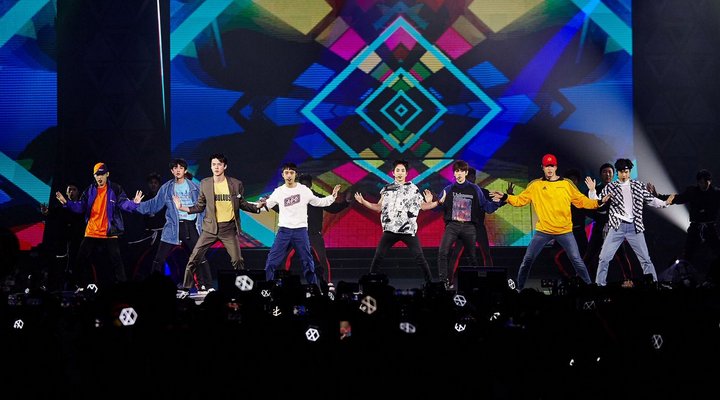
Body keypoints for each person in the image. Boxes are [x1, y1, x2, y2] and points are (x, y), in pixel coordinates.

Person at [490, 154, 607, 291]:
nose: (549, 169)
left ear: (556, 167)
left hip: (564, 231)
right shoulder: (535, 185)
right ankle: (519, 289)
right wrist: (505, 197)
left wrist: (598, 202)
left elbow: (581, 201)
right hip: (543, 231)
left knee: (577, 261)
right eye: (547, 166)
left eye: (552, 166)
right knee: (527, 260)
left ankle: (590, 289)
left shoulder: (566, 184)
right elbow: (520, 200)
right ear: (542, 167)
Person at [173, 153, 263, 297]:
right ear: (211, 167)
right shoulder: (205, 183)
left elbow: (242, 204)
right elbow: (200, 206)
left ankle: (242, 289)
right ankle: (186, 288)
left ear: (224, 166)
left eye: (219, 164)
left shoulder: (235, 184)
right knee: (194, 258)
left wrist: (257, 207)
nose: (216, 167)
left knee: (237, 260)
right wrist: (182, 207)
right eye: (213, 164)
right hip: (210, 229)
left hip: (228, 229)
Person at [55, 163, 143, 290]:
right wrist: (67, 203)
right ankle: (75, 286)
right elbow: (80, 207)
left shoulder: (115, 189)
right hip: (92, 231)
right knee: (80, 260)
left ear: (107, 174)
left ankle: (124, 288)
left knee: (117, 262)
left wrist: (134, 203)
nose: (99, 177)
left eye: (101, 174)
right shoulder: (89, 190)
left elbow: (124, 203)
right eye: (97, 175)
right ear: (94, 176)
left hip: (109, 232)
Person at [354, 159, 438, 286]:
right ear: (393, 173)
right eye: (397, 170)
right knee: (378, 257)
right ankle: (370, 284)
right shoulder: (387, 189)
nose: (400, 173)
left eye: (402, 170)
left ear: (406, 173)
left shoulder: (413, 189)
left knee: (420, 257)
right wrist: (363, 202)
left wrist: (434, 202)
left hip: (408, 230)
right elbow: (378, 207)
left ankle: (430, 284)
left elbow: (424, 206)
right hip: (390, 230)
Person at [594, 159, 674, 287]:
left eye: (626, 172)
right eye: (621, 172)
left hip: (634, 227)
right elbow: (597, 202)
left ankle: (653, 284)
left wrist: (665, 203)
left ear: (629, 172)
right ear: (617, 173)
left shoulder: (638, 185)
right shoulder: (611, 187)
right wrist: (592, 191)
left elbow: (651, 200)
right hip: (617, 227)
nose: (624, 174)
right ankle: (599, 285)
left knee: (645, 259)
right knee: (603, 258)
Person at [136, 159, 212, 292]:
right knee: (159, 258)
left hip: (190, 226)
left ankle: (206, 285)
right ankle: (153, 285)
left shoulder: (195, 187)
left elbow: (203, 207)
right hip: (172, 226)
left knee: (199, 256)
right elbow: (154, 204)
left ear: (185, 170)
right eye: (175, 168)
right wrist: (136, 205)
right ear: (172, 171)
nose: (178, 170)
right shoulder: (166, 188)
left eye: (181, 168)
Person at [262, 163, 341, 286]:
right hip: (289, 231)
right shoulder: (285, 193)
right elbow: (278, 208)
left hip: (310, 234)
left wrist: (335, 198)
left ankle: (323, 284)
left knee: (315, 260)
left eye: (291, 173)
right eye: (286, 173)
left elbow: (325, 204)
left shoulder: (310, 194)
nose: (305, 186)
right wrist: (266, 204)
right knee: (280, 259)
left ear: (310, 184)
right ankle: (279, 283)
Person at [435, 160, 503, 290]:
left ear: (466, 173)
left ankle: (477, 282)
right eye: (457, 171)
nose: (459, 174)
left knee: (474, 257)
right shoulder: (448, 189)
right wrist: (435, 203)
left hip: (471, 227)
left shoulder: (476, 190)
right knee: (444, 252)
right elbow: (438, 208)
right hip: (453, 226)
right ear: (454, 173)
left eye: (462, 171)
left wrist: (498, 202)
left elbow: (487, 207)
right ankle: (445, 282)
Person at [649, 169, 720, 282]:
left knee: (717, 250)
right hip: (695, 227)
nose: (703, 185)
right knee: (688, 253)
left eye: (705, 182)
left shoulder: (716, 193)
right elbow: (677, 198)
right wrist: (658, 196)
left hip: (710, 227)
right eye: (701, 182)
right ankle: (685, 277)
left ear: (710, 181)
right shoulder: (693, 192)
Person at [281, 173, 349, 291]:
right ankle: (283, 281)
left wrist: (346, 202)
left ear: (310, 185)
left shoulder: (317, 198)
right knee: (286, 257)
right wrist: (268, 204)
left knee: (322, 259)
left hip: (314, 235)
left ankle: (327, 283)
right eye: (302, 185)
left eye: (306, 185)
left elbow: (333, 208)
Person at [584, 163, 636, 283]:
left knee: (622, 255)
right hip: (599, 228)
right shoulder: (595, 190)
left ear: (613, 175)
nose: (607, 174)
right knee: (590, 255)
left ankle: (629, 281)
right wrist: (599, 216)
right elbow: (588, 207)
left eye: (609, 172)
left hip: (615, 228)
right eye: (605, 172)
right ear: (600, 175)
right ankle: (579, 279)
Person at [40, 183, 85, 290]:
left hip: (77, 241)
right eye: (69, 190)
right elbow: (52, 215)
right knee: (59, 267)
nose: (71, 191)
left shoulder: (81, 205)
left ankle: (75, 285)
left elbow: (77, 212)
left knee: (75, 265)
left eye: (74, 189)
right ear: (66, 192)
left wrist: (65, 202)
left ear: (78, 192)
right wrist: (46, 212)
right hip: (62, 243)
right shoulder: (61, 208)